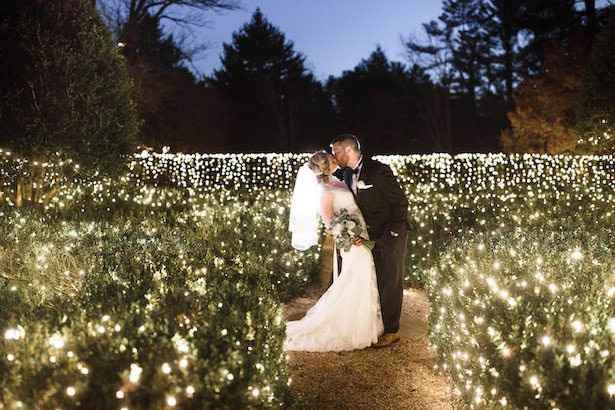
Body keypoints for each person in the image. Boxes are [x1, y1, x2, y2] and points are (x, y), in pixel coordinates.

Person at [285, 151, 383, 351]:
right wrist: (348, 235)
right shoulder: (324, 190)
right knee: (354, 277)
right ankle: (349, 327)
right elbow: (329, 221)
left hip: (360, 235)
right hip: (351, 241)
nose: (334, 158)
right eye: (330, 159)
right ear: (325, 166)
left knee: (364, 276)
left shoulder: (338, 181)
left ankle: (362, 323)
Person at [330, 134, 409, 347]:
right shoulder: (343, 175)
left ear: (347, 150)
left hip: (389, 234)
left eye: (335, 151)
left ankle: (392, 330)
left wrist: (392, 234)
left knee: (389, 280)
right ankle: (373, 325)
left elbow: (400, 204)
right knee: (370, 279)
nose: (333, 156)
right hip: (362, 238)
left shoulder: (379, 171)